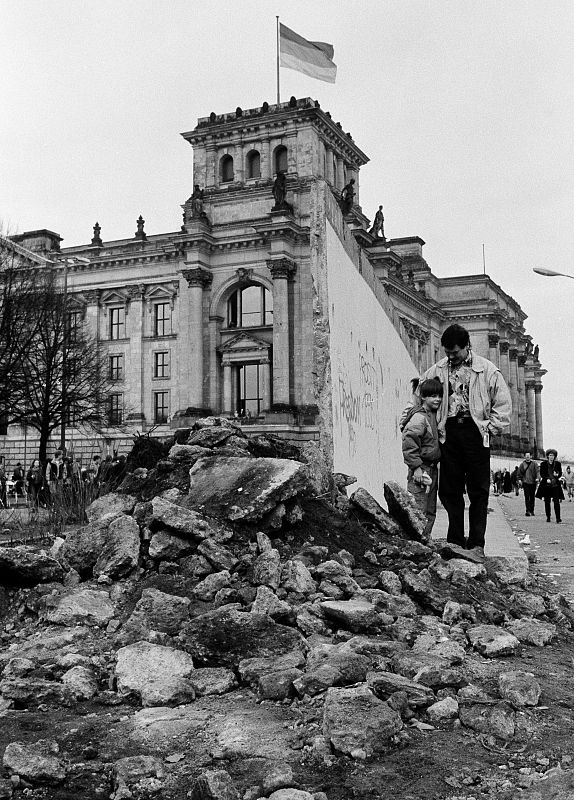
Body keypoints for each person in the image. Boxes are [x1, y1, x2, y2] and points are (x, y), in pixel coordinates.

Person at [420, 323, 511, 556]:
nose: (451, 357)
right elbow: (420, 397)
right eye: (447, 352)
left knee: (478, 490)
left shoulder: (487, 370)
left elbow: (502, 404)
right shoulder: (436, 371)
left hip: (476, 433)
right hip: (448, 433)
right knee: (449, 489)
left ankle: (477, 543)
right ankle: (456, 541)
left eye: (455, 352)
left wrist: (490, 427)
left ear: (467, 346)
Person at [401, 377, 443, 538]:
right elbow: (409, 441)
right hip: (421, 469)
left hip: (431, 469)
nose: (437, 399)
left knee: (430, 509)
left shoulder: (433, 415)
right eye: (433, 396)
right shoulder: (419, 417)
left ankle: (425, 539)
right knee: (417, 508)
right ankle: (415, 542)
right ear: (423, 397)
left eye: (439, 396)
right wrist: (416, 468)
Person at [536, 448, 564, 523]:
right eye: (550, 455)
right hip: (547, 485)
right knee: (547, 501)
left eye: (553, 455)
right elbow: (542, 474)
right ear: (548, 456)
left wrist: (557, 475)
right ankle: (548, 516)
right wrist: (546, 479)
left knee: (556, 501)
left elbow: (560, 473)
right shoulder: (543, 464)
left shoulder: (558, 464)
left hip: (555, 485)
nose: (552, 457)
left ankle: (558, 518)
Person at [518, 452, 539, 516]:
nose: (527, 457)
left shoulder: (534, 464)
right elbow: (520, 473)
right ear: (524, 457)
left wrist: (538, 478)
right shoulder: (522, 464)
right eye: (526, 456)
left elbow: (538, 471)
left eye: (528, 456)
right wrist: (519, 479)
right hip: (525, 482)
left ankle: (532, 510)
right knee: (527, 497)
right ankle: (527, 510)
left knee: (532, 497)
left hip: (533, 482)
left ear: (530, 456)